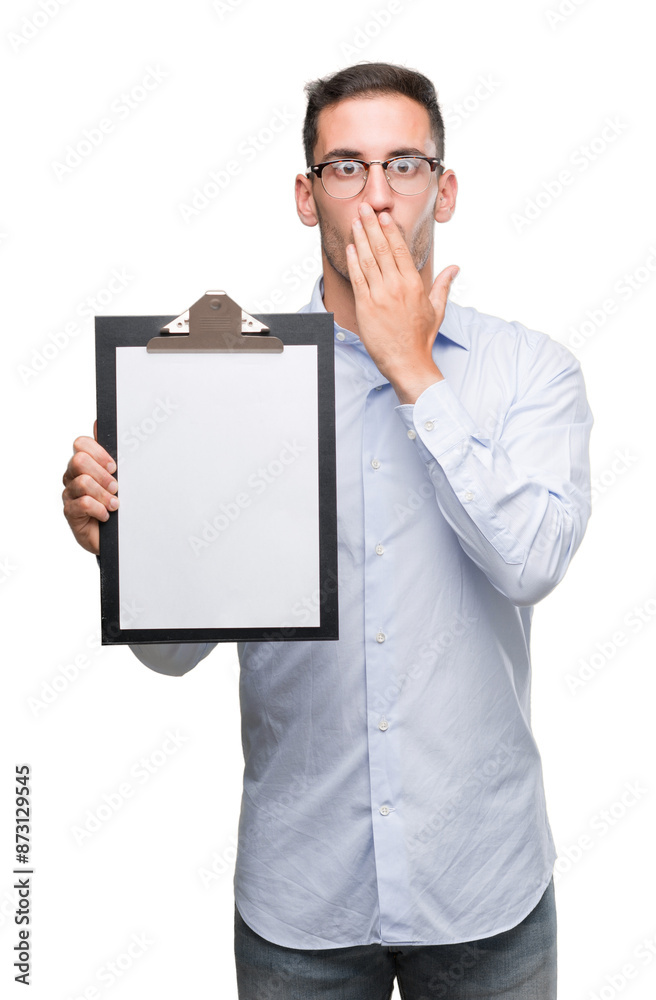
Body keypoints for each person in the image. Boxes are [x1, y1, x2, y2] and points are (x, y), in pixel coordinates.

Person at [62, 62, 593, 999]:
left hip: (484, 887)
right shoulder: (218, 379)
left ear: (447, 188)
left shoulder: (529, 372)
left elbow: (531, 563)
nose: (378, 197)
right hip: (302, 898)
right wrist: (127, 556)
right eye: (346, 168)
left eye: (405, 166)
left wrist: (411, 371)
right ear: (308, 199)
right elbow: (173, 655)